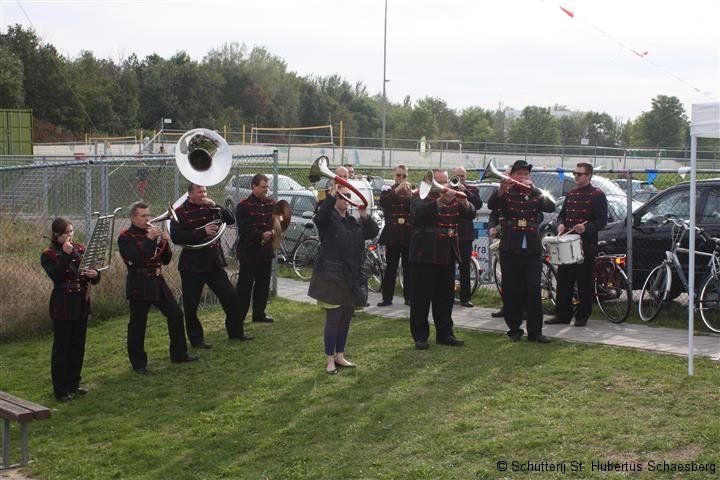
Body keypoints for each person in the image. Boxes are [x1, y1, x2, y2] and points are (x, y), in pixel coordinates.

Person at [118, 202, 198, 375]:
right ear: (133, 218)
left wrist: (165, 242)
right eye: (143, 216)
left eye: (148, 215)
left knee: (176, 314)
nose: (148, 218)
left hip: (157, 281)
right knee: (138, 324)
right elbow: (137, 259)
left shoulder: (152, 232)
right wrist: (149, 239)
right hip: (139, 283)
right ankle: (139, 364)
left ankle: (179, 354)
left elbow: (166, 260)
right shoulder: (125, 237)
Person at [170, 183, 252, 348]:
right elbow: (177, 237)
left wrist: (216, 205)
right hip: (192, 265)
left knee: (231, 297)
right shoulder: (180, 212)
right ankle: (197, 340)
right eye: (199, 191)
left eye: (205, 191)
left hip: (213, 262)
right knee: (191, 305)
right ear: (190, 194)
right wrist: (203, 232)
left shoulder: (212, 208)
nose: (203, 194)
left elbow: (230, 219)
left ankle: (236, 332)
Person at [308, 184, 378, 374]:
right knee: (333, 319)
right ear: (335, 198)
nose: (346, 199)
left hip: (351, 276)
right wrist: (331, 196)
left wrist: (364, 214)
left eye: (348, 195)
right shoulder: (328, 219)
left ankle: (340, 355)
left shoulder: (352, 221)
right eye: (342, 196)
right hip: (332, 276)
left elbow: (372, 232)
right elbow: (320, 218)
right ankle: (330, 360)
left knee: (346, 318)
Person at [487, 160, 555, 343]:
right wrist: (501, 189)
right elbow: (492, 205)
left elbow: (551, 206)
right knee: (512, 290)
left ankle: (535, 331)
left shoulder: (534, 193)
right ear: (512, 176)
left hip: (531, 247)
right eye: (519, 174)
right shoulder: (506, 193)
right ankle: (514, 329)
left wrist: (535, 190)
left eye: (526, 174)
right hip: (511, 247)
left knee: (533, 290)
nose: (523, 177)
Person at [409, 169, 476, 350]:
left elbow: (471, 214)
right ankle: (420, 337)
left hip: (447, 253)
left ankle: (445, 334)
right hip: (424, 254)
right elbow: (418, 215)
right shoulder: (419, 196)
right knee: (421, 299)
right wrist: (440, 201)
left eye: (444, 181)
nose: (442, 184)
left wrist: (464, 201)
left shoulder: (453, 198)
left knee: (445, 298)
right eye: (438, 181)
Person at [41, 218, 100, 401]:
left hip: (81, 302)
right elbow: (57, 276)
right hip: (63, 303)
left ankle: (74, 384)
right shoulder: (49, 254)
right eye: (66, 232)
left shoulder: (80, 248)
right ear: (56, 234)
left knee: (77, 345)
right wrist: (65, 256)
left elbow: (92, 275)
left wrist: (95, 274)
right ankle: (61, 390)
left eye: (72, 231)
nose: (70, 235)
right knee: (62, 347)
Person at [546, 162, 608, 327]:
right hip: (567, 244)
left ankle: (582, 315)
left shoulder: (597, 195)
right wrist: (560, 225)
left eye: (579, 174)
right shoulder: (571, 193)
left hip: (585, 245)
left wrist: (586, 227)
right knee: (564, 280)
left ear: (588, 176)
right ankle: (562, 314)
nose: (575, 176)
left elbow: (602, 220)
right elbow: (562, 215)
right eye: (574, 173)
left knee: (584, 281)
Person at [235, 174, 276, 324]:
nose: (266, 190)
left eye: (267, 187)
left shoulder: (272, 204)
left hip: (265, 252)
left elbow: (277, 222)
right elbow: (244, 229)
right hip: (249, 252)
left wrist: (274, 231)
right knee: (245, 285)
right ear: (254, 186)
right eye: (263, 187)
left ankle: (259, 314)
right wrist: (260, 235)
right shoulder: (243, 206)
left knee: (263, 284)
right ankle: (239, 316)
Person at [377, 164, 413, 307]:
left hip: (407, 234)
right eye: (398, 175)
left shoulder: (412, 191)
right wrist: (398, 189)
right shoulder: (388, 190)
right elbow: (384, 202)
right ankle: (387, 298)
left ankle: (409, 298)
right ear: (394, 175)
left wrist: (411, 195)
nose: (401, 178)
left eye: (404, 176)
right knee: (391, 268)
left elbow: (417, 208)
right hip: (393, 234)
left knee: (408, 268)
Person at [452, 166, 483, 307]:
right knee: (448, 266)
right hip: (450, 231)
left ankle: (465, 298)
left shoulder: (472, 189)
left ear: (466, 176)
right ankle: (447, 295)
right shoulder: (448, 189)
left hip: (465, 233)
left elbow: (478, 204)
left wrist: (466, 192)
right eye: (457, 176)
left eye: (462, 176)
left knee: (465, 267)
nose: (460, 179)